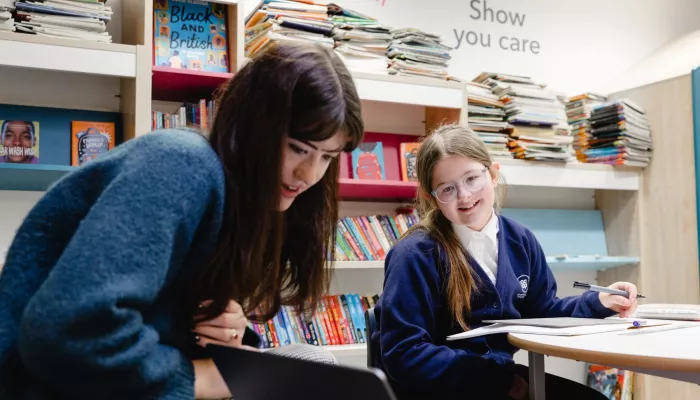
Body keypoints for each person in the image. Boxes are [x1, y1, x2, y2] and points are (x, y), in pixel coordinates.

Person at [0, 41, 363, 399]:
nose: (308, 174)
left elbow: (155, 319)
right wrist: (195, 377)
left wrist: (225, 333)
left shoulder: (247, 202)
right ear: (255, 124)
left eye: (327, 157)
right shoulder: (182, 164)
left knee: (313, 359)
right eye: (298, 148)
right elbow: (66, 330)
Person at [371, 125, 638, 400]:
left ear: (494, 173)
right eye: (447, 189)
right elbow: (404, 352)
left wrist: (598, 302)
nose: (464, 195)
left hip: (500, 379)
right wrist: (498, 382)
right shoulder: (415, 254)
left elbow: (543, 312)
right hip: (445, 387)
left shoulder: (519, 239)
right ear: (432, 198)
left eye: (472, 178)